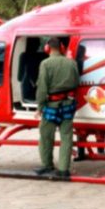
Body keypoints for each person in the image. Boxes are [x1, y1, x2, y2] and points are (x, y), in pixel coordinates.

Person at [34, 37, 79, 178]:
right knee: (66, 136)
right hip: (68, 105)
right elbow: (77, 82)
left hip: (51, 106)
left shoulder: (45, 64)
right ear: (62, 47)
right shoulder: (71, 63)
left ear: (47, 48)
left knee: (46, 136)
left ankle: (47, 165)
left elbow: (42, 87)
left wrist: (40, 106)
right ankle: (63, 169)